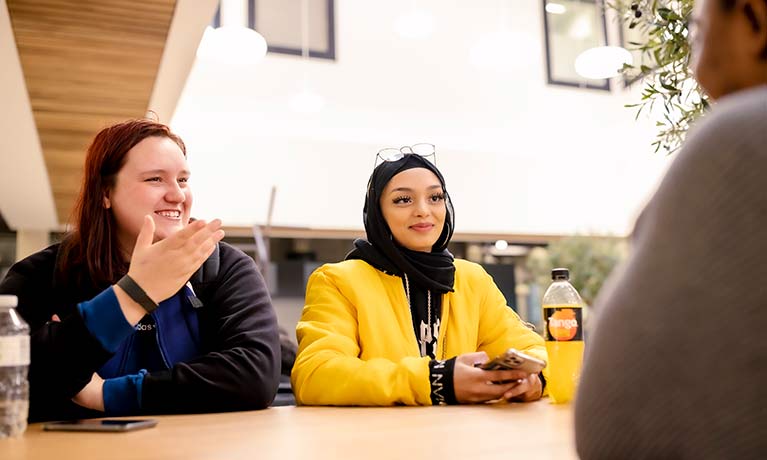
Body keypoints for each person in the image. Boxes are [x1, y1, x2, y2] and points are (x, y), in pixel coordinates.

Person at [575, 0, 767, 457]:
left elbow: (630, 427)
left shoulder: (742, 137)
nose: (692, 66)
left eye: (698, 30)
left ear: (754, 18)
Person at [0, 119, 281, 422]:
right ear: (105, 193)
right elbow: (17, 381)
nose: (177, 195)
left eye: (183, 180)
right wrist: (134, 293)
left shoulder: (226, 268)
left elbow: (255, 375)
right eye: (155, 179)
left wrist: (105, 394)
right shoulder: (44, 275)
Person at [291, 147, 548, 405]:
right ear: (378, 213)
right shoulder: (339, 281)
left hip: (461, 437)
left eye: (435, 197)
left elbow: (537, 353)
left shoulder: (471, 280)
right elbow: (315, 374)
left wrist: (534, 380)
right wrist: (435, 381)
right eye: (403, 200)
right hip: (375, 439)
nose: (424, 210)